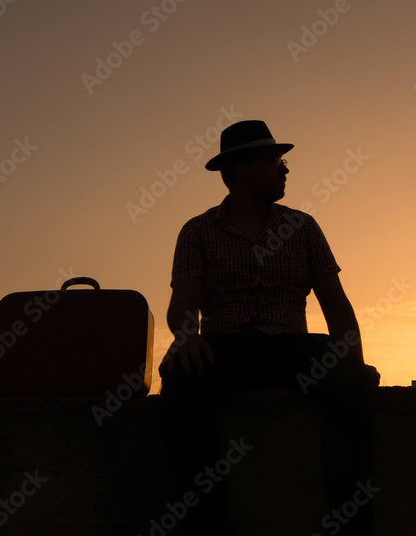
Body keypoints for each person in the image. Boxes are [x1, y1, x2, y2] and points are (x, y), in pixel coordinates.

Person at [158, 120, 379, 535]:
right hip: (222, 349)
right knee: (178, 379)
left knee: (350, 380)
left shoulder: (304, 227)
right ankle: (203, 526)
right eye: (275, 160)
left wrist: (355, 365)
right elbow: (182, 305)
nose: (285, 169)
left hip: (290, 348)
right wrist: (186, 337)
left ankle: (352, 526)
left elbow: (338, 308)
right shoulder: (197, 232)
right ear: (242, 169)